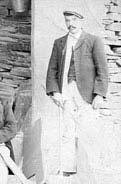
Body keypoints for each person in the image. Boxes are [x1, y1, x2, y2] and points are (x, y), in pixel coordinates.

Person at [46, 10, 108, 175]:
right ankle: (69, 169)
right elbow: (52, 70)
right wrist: (54, 92)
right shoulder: (59, 43)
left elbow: (102, 70)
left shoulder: (93, 41)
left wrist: (100, 94)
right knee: (67, 131)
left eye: (74, 20)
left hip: (86, 95)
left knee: (89, 131)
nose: (70, 24)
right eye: (67, 20)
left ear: (81, 20)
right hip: (66, 92)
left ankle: (92, 170)